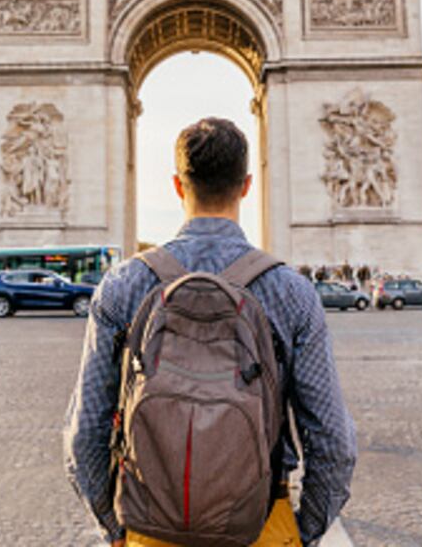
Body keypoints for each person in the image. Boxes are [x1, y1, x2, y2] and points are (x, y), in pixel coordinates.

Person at [64, 117, 357, 547]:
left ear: (178, 185)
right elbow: (333, 440)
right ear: (247, 185)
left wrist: (115, 528)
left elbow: (85, 433)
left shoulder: (122, 285)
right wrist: (305, 531)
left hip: (150, 528)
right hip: (262, 525)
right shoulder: (291, 291)